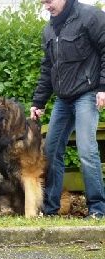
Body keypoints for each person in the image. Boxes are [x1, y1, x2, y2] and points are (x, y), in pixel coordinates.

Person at [30, 0, 105, 219]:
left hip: (88, 93)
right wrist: (39, 102)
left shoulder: (90, 16)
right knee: (50, 151)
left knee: (86, 150)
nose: (46, 6)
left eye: (49, 1)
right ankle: (50, 209)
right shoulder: (49, 29)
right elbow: (48, 68)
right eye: (43, 2)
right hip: (64, 99)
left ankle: (98, 210)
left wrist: (103, 87)